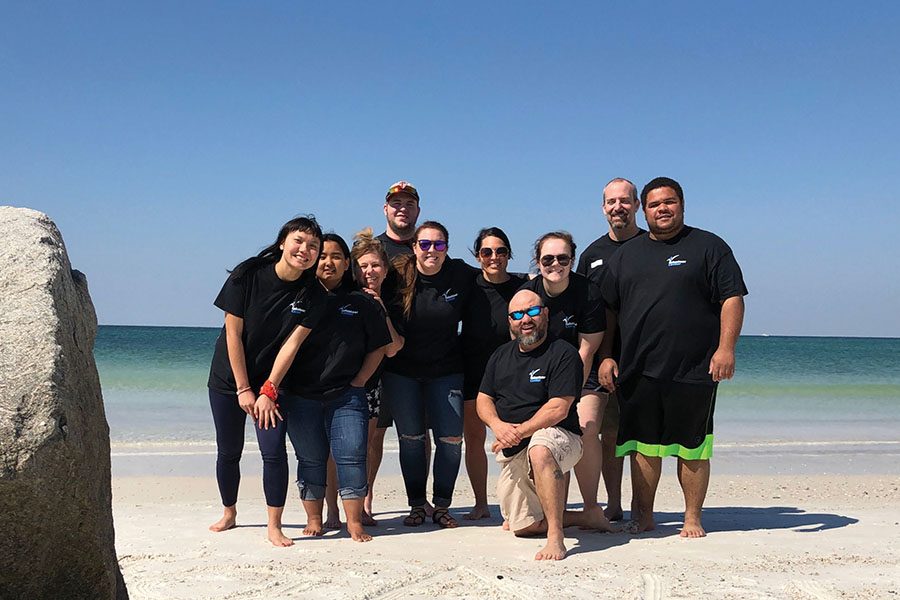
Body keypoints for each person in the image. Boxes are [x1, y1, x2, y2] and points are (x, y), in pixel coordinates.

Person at [599, 176, 747, 538]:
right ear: (642, 210)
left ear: (681, 204)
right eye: (654, 204)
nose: (662, 209)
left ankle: (692, 518)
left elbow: (732, 298)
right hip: (638, 368)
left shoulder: (709, 247)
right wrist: (606, 356)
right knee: (643, 447)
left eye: (669, 202)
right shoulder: (626, 255)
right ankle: (645, 516)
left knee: (692, 447)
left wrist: (726, 349)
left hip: (695, 367)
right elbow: (608, 311)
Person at [257, 234, 394, 543]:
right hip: (301, 395)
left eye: (336, 257)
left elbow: (380, 348)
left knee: (351, 456)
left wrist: (359, 380)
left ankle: (354, 522)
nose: (328, 262)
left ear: (347, 264)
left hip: (347, 396)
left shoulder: (360, 301)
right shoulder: (299, 299)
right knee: (310, 458)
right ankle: (315, 518)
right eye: (323, 256)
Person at [206, 216, 324, 547]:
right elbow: (233, 332)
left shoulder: (313, 293)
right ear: (283, 241)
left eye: (313, 246)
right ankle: (229, 513)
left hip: (271, 385)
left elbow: (292, 345)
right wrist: (243, 389)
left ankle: (274, 525)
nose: (305, 249)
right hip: (228, 378)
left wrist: (268, 390)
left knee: (273, 452)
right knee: (229, 450)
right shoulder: (248, 275)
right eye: (299, 240)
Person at [477, 289, 609, 561]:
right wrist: (498, 426)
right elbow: (483, 399)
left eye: (533, 312)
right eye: (517, 315)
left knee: (540, 448)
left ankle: (555, 537)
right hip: (514, 443)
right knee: (523, 526)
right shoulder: (500, 355)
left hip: (561, 437)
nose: (525, 319)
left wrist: (517, 432)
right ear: (510, 321)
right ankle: (586, 516)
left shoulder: (563, 353)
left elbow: (559, 408)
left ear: (545, 315)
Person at [381, 221, 474, 529]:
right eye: (425, 244)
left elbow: (497, 281)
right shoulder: (397, 278)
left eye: (439, 245)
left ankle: (443, 506)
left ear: (447, 248)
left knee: (450, 440)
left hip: (446, 371)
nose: (432, 250)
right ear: (414, 247)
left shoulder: (459, 274)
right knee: (411, 440)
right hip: (402, 373)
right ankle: (418, 505)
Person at [519, 232, 610, 530]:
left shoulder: (588, 292)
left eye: (563, 258)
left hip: (583, 373)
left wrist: (568, 397)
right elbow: (521, 341)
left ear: (572, 259)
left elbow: (586, 349)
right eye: (548, 259)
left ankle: (591, 507)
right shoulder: (530, 292)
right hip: (541, 375)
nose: (555, 264)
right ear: (538, 261)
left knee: (585, 426)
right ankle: (552, 508)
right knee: (542, 435)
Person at [575, 177, 645, 521]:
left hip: (644, 359)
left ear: (637, 205)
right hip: (603, 361)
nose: (618, 207)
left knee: (641, 438)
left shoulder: (652, 246)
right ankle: (614, 503)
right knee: (608, 435)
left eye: (625, 200)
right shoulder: (592, 255)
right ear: (603, 208)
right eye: (611, 202)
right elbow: (582, 309)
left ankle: (641, 506)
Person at [460, 227, 525, 520]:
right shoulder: (468, 287)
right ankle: (481, 503)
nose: (494, 257)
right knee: (474, 439)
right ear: (478, 256)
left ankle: (520, 503)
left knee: (517, 440)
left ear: (509, 254)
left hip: (513, 376)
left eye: (500, 251)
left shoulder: (525, 286)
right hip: (473, 372)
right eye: (487, 252)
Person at [349, 228, 405, 526]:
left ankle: (366, 500)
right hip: (346, 380)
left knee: (373, 440)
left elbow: (394, 347)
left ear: (385, 269)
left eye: (375, 265)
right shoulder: (345, 295)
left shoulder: (394, 301)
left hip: (379, 380)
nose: (370, 271)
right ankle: (342, 506)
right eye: (363, 265)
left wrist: (381, 309)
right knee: (349, 443)